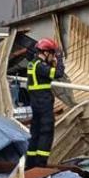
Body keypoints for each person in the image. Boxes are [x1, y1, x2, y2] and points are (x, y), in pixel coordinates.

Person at [25, 38, 64, 168]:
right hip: (44, 104)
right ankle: (40, 166)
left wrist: (52, 62)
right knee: (46, 133)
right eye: (52, 54)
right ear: (46, 52)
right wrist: (59, 59)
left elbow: (45, 76)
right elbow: (58, 73)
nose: (52, 56)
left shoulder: (33, 64)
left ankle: (30, 165)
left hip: (35, 103)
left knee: (35, 133)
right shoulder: (40, 66)